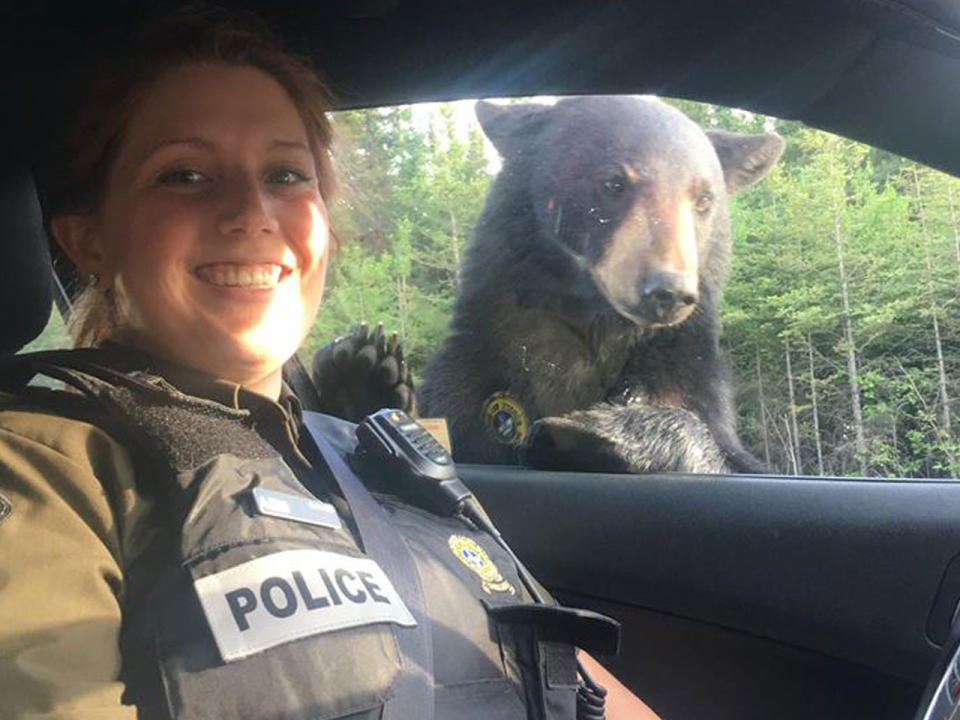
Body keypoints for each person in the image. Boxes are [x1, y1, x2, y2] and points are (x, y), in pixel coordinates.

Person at [0, 7, 661, 720]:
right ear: (89, 240)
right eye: (184, 175)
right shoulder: (43, 467)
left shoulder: (387, 461)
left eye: (287, 173)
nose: (251, 211)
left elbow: (570, 681)